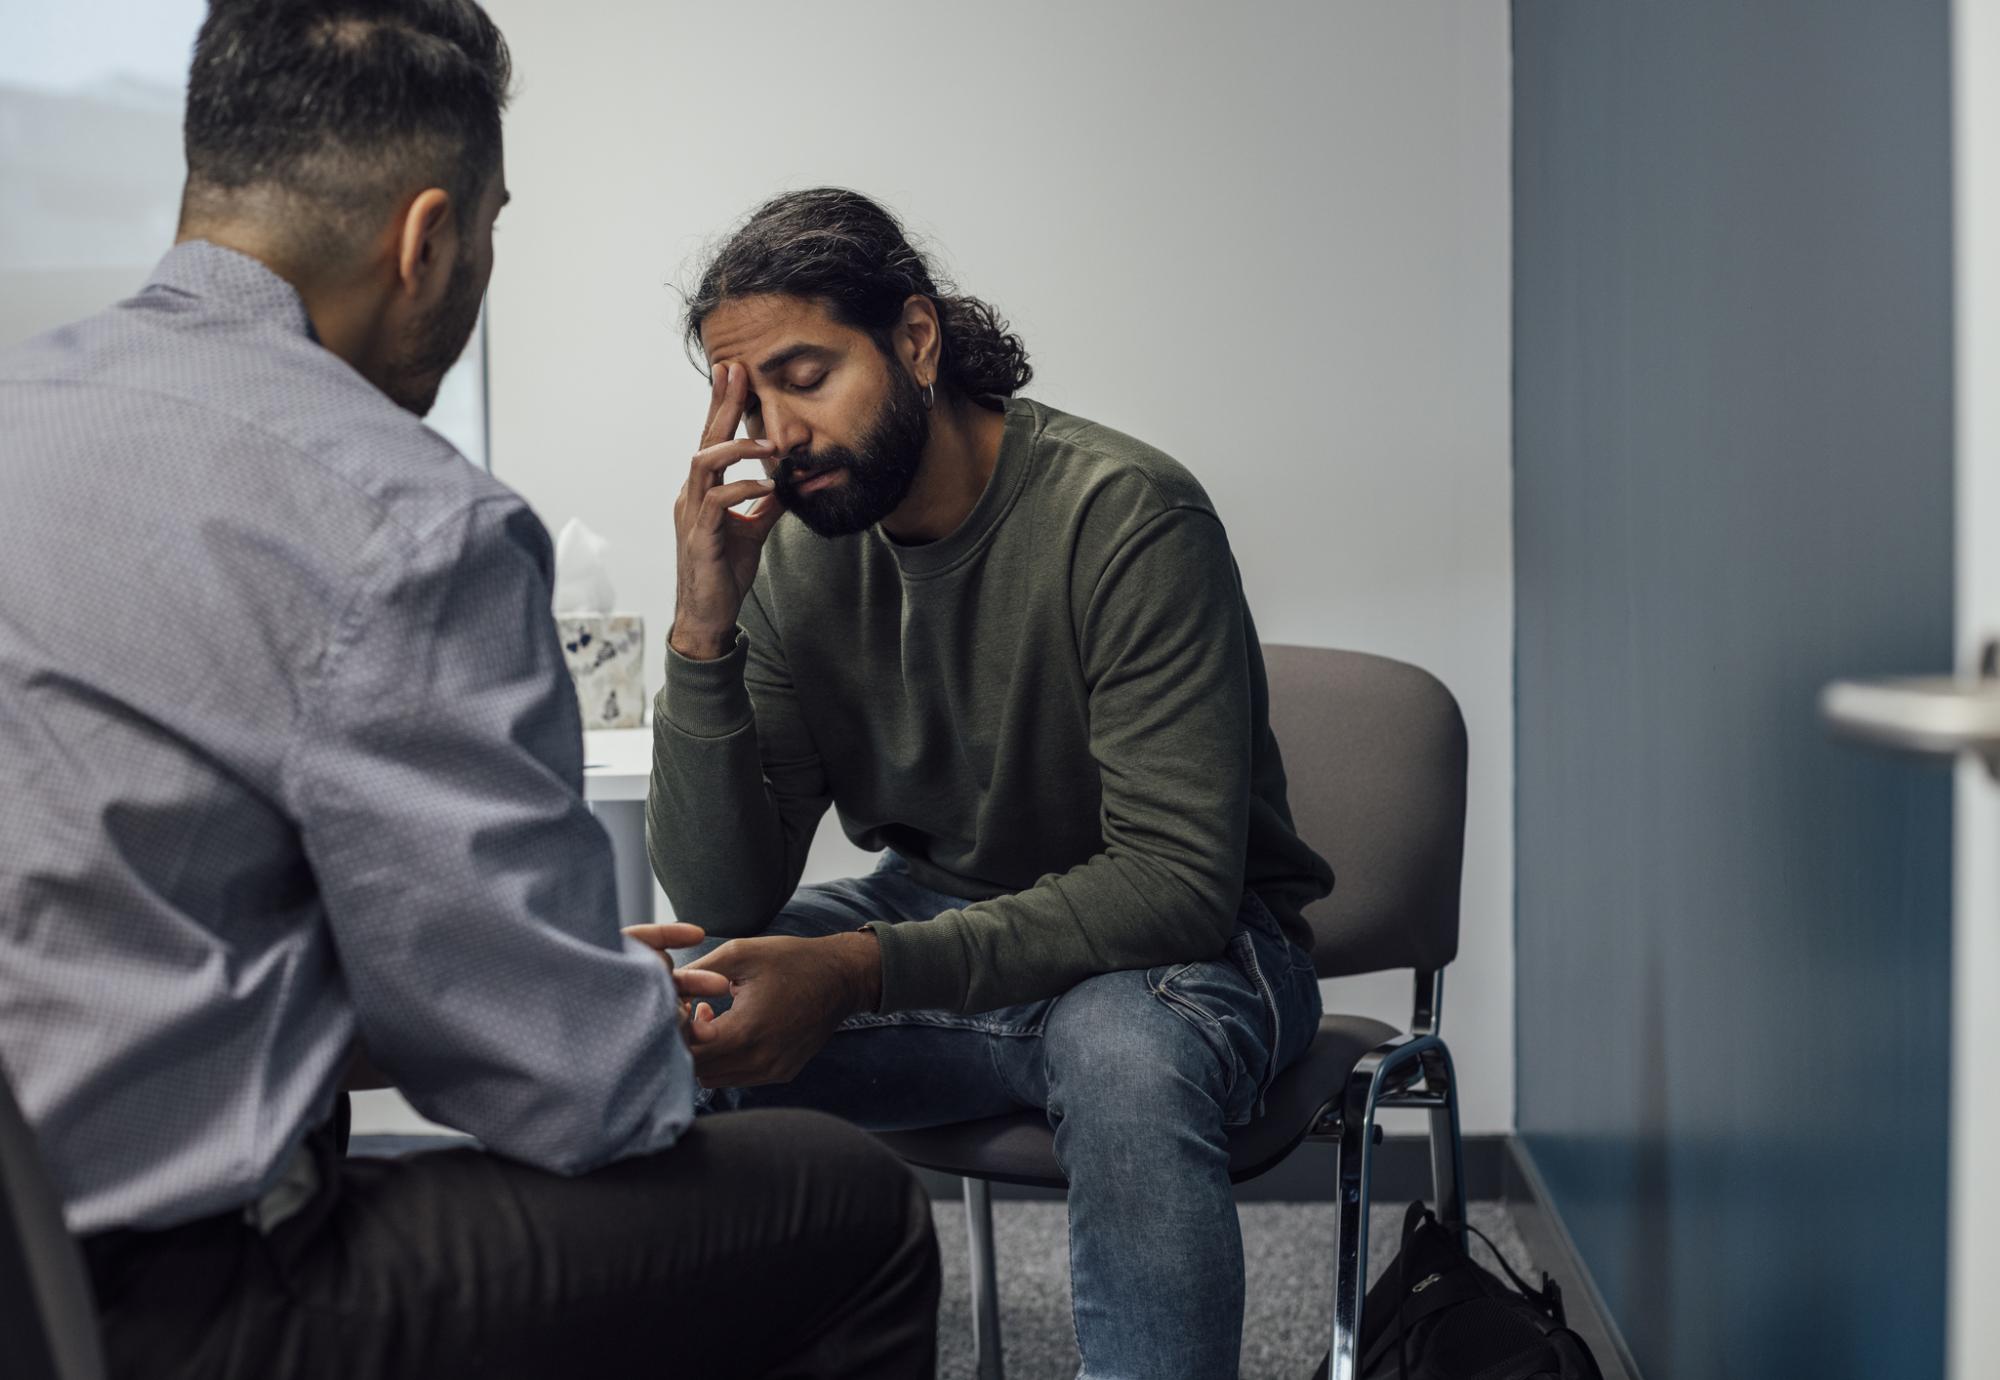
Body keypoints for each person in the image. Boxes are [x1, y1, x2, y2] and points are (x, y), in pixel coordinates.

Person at [0, 8, 936, 1379]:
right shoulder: (405, 517)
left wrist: (537, 979)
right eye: (493, 230)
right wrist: (602, 1001)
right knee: (844, 1205)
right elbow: (578, 1093)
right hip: (169, 1309)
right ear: (429, 238)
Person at [645, 186, 1335, 1379]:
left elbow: (1170, 885)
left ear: (914, 341)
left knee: (1120, 1052)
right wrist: (703, 628)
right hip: (941, 918)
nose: (776, 433)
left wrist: (856, 970)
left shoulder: (1123, 515)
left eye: (805, 377)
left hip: (1192, 952)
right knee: (671, 1015)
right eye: (745, 400)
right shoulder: (793, 558)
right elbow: (723, 894)